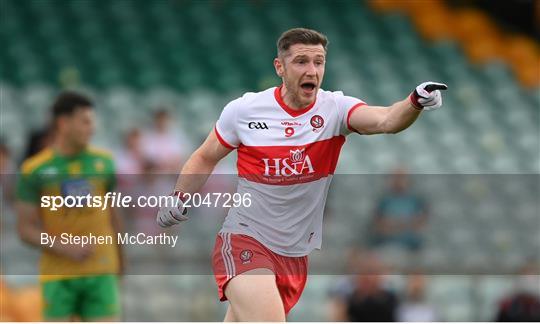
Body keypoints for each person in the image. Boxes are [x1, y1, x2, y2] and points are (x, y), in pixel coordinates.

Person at [156, 27, 448, 321]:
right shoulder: (245, 110)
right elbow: (206, 155)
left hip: (294, 255)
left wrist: (414, 102)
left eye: (318, 62)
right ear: (279, 67)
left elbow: (387, 120)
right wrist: (180, 195)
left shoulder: (335, 109)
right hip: (246, 239)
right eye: (301, 61)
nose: (312, 70)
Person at [15, 92, 123, 321]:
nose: (91, 128)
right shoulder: (35, 170)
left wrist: (121, 258)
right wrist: (64, 246)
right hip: (58, 274)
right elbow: (25, 230)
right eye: (85, 121)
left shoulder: (104, 163)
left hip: (101, 269)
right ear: (63, 123)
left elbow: (114, 215)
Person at [370, 168, 429, 251]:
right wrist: (395, 225)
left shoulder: (416, 200)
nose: (399, 181)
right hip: (386, 243)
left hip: (411, 244)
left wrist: (400, 224)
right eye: (395, 177)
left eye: (402, 177)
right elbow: (378, 223)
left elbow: (420, 222)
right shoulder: (384, 200)